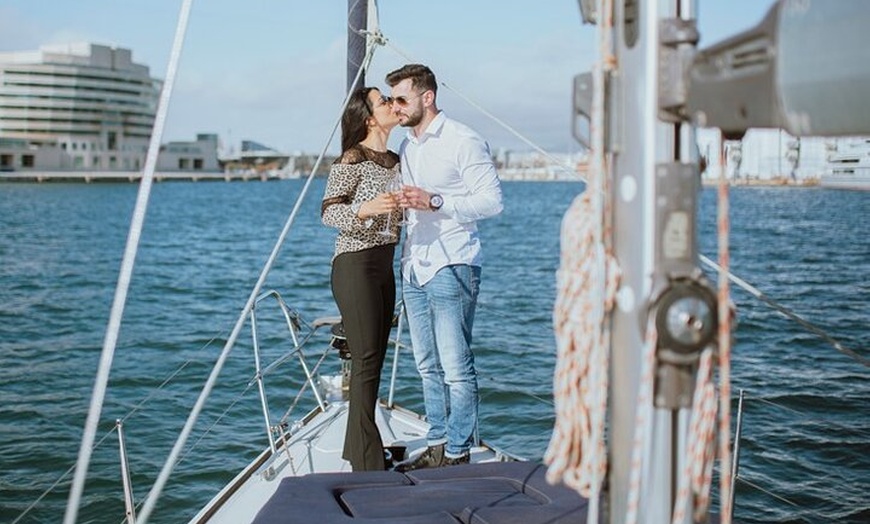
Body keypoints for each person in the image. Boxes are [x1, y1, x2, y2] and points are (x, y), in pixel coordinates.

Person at [385, 64, 503, 471]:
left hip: (453, 263)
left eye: (402, 99)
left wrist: (435, 201)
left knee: (455, 366)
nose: (395, 107)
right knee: (425, 364)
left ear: (427, 97)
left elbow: (492, 202)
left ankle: (457, 451)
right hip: (414, 264)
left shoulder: (463, 140)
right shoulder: (407, 147)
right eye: (393, 100)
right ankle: (436, 442)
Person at [321, 86, 402, 471]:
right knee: (367, 360)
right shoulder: (351, 158)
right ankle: (369, 462)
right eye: (383, 100)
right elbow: (327, 213)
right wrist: (366, 209)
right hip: (354, 263)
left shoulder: (398, 161)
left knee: (375, 361)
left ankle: (359, 451)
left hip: (386, 263)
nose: (391, 102)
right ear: (369, 118)